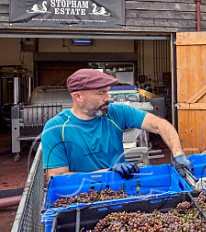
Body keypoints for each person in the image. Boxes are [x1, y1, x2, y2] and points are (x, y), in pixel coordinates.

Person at [41, 68, 192, 180]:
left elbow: (160, 124)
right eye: (101, 93)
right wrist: (107, 172)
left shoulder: (116, 112)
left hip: (120, 189)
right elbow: (57, 177)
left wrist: (178, 154)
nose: (108, 98)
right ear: (78, 97)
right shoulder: (56, 128)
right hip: (81, 196)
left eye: (107, 92)